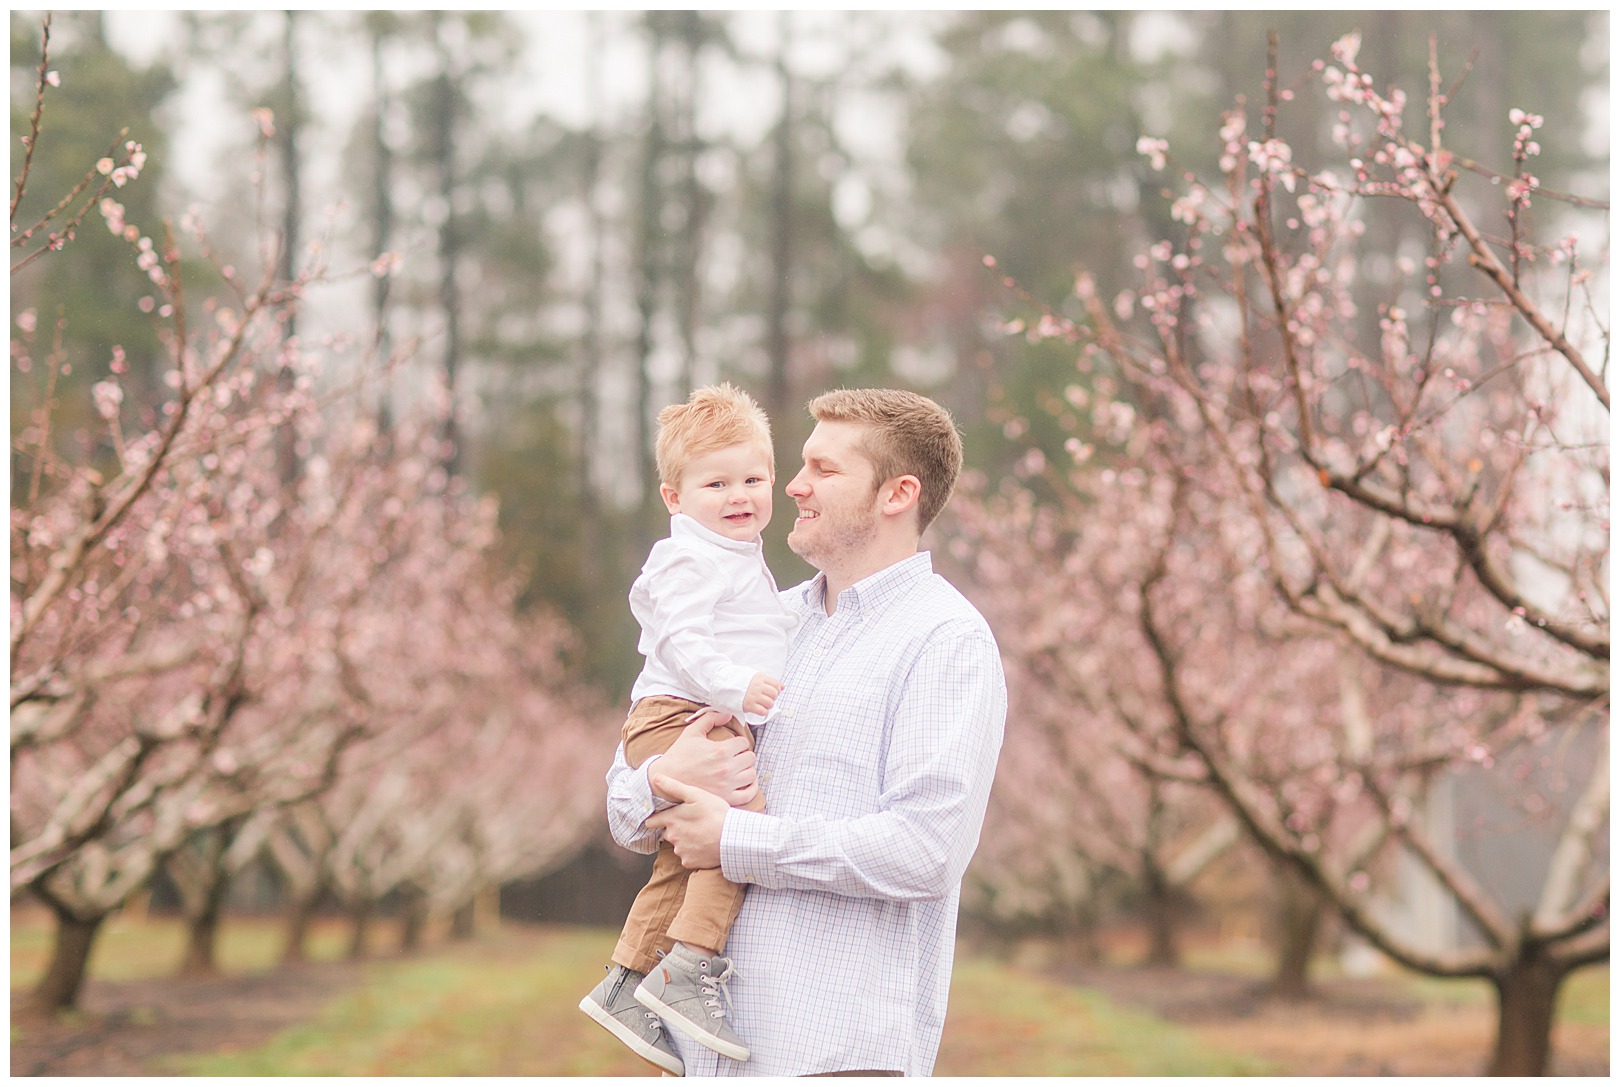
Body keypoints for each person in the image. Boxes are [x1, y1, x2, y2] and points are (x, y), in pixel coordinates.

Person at [604, 387, 1007, 1077]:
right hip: (704, 1061)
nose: (792, 485)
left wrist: (736, 839)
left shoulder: (945, 640)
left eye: (823, 468)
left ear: (897, 493)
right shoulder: (761, 620)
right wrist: (664, 779)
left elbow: (926, 849)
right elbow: (622, 810)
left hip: (829, 1057)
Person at [579, 383, 800, 1076]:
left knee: (685, 857)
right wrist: (735, 687)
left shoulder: (732, 555)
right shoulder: (688, 557)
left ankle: (627, 979)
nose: (740, 494)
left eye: (753, 478)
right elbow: (679, 635)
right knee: (739, 825)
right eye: (717, 483)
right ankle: (690, 965)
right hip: (680, 714)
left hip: (693, 712)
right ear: (675, 497)